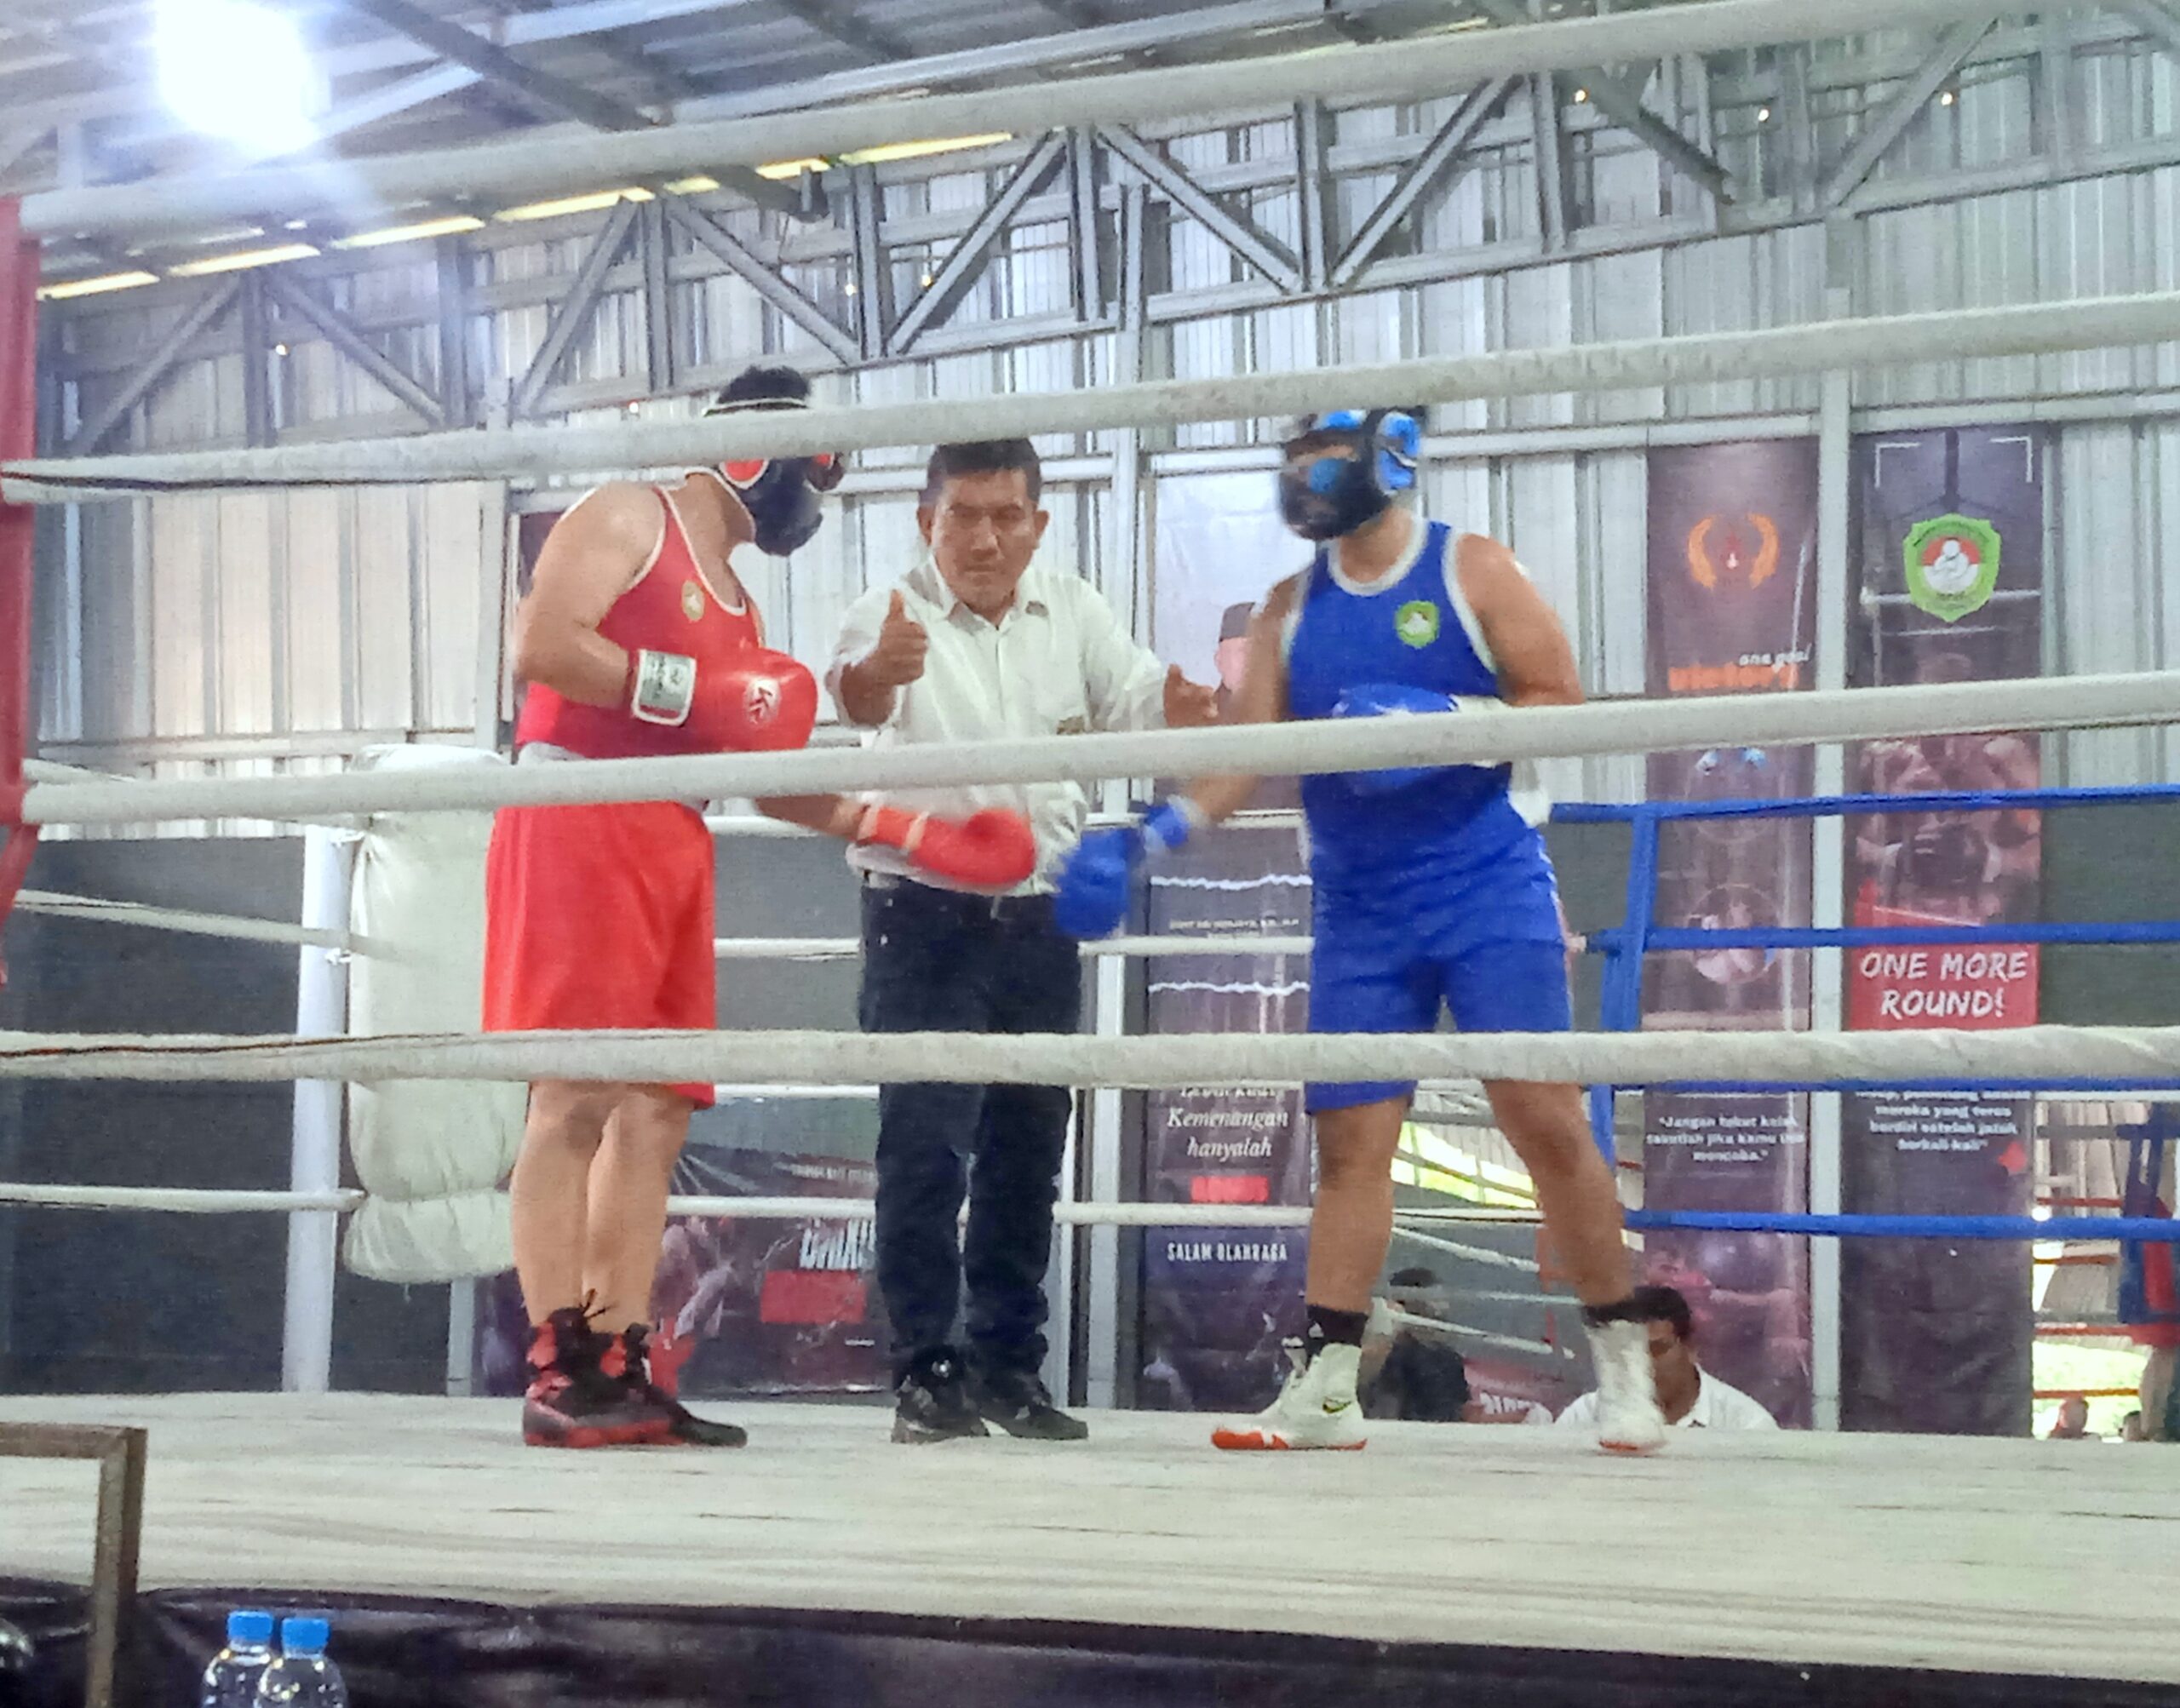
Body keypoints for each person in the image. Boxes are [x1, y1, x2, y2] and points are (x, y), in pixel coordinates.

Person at [1054, 406, 1668, 1454]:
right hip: (1358, 903)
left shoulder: (1471, 570)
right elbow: (1243, 756)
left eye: (1324, 456)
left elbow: (1560, 699)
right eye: (1294, 459)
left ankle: (1623, 1366)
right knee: (1349, 1140)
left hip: (1484, 881)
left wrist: (1438, 726)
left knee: (1545, 1119)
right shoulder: (1287, 610)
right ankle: (1328, 1387)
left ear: (1387, 457)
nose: (1307, 476)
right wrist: (1148, 837)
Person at [487, 369, 1036, 1450]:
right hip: (579, 805)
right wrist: (689, 690)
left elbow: (765, 779)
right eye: (814, 466)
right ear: (754, 447)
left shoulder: (742, 611)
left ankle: (622, 1355)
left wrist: (913, 830)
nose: (813, 494)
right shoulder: (628, 514)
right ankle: (557, 1364)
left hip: (675, 833)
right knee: (574, 1088)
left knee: (659, 1106)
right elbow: (542, 645)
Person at [829, 438, 1219, 1446]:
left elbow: (1143, 699)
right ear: (928, 520)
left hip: (1040, 919)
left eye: (1006, 515)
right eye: (963, 514)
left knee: (1026, 1152)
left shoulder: (1074, 609)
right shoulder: (889, 610)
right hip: (922, 915)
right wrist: (877, 674)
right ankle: (926, 1370)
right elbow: (858, 694)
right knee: (925, 1147)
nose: (984, 537)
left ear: (1037, 524)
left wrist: (1199, 704)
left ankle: (1008, 1366)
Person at [1556, 1284, 1777, 1432]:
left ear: (1690, 1346)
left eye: (1657, 1350)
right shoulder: (1583, 1417)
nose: (1642, 1366)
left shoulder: (1746, 1424)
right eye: (1628, 1354)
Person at [1358, 1268, 1471, 1423]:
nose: (1443, 1308)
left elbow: (1460, 1412)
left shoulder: (1449, 1359)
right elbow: (1383, 1411)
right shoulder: (1391, 1358)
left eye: (1444, 1300)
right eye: (1436, 1299)